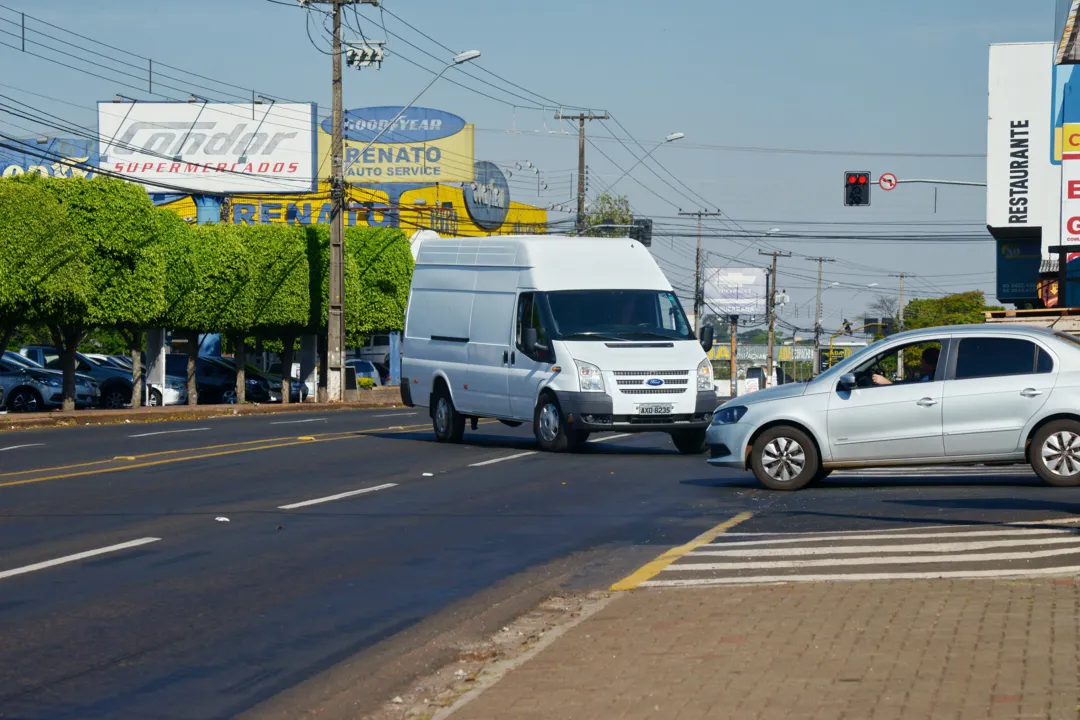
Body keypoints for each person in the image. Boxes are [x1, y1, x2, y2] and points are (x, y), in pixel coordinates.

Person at [871, 346, 939, 386]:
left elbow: (912, 390)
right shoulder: (934, 375)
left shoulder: (931, 379)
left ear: (924, 361)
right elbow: (911, 381)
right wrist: (892, 382)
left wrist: (888, 383)